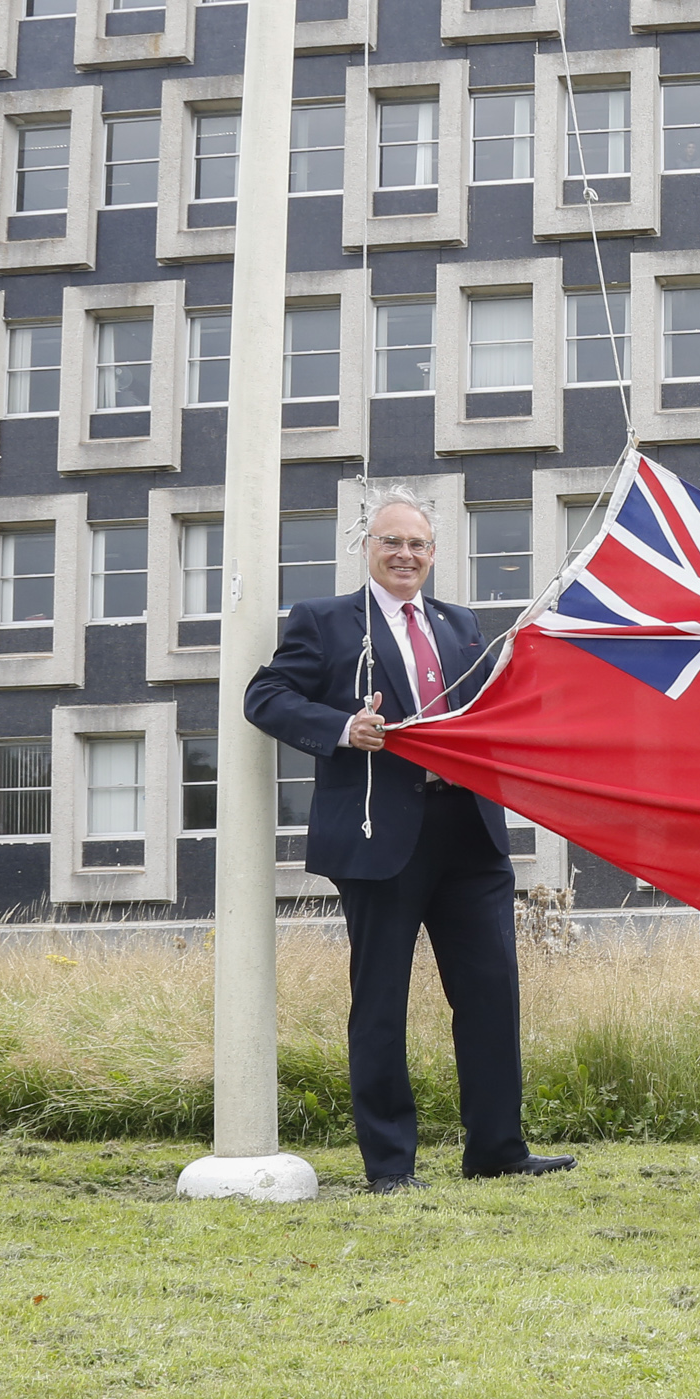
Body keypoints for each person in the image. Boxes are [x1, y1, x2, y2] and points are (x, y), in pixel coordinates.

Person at [245, 490, 574, 1193]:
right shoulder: (325, 620)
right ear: (368, 548)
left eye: (418, 545)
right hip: (379, 836)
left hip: (470, 833)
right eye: (391, 542)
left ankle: (496, 1149)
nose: (405, 555)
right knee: (381, 1004)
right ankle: (390, 1167)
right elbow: (265, 696)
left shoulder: (462, 624)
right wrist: (342, 728)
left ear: (433, 553)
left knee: (491, 996)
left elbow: (489, 709)